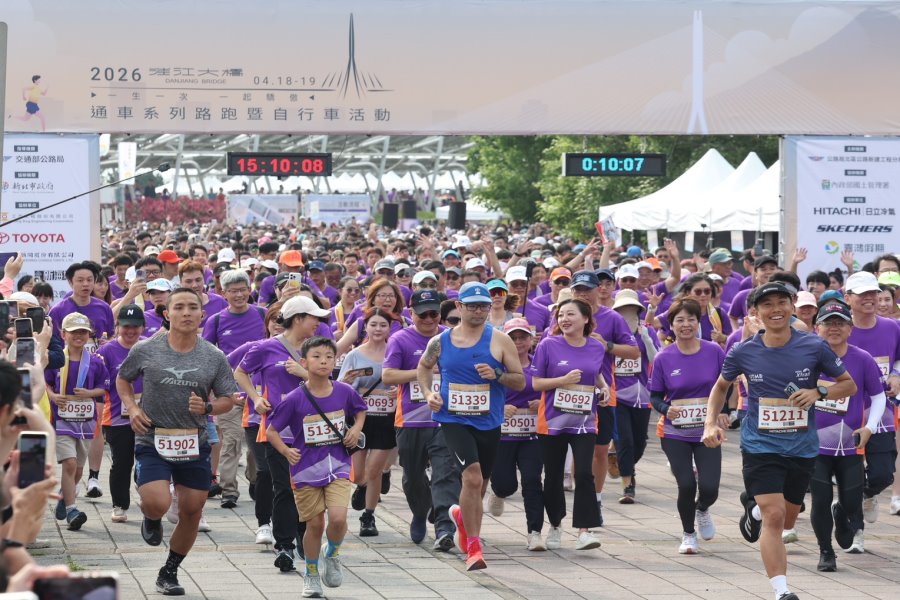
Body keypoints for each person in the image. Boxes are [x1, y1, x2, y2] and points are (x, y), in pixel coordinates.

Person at [702, 282, 856, 600]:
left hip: (801, 446)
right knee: (775, 516)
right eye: (767, 304)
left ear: (792, 307)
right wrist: (709, 424)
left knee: (788, 514)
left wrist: (819, 391)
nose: (776, 309)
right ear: (755, 312)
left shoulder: (814, 347)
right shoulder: (743, 351)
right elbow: (720, 387)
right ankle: (781, 591)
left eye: (782, 303)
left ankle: (753, 510)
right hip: (760, 445)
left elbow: (848, 385)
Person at [116, 288, 238, 596]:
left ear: (201, 314)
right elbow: (123, 379)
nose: (186, 312)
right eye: (179, 307)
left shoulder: (213, 356)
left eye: (192, 307)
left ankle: (169, 571)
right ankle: (151, 514)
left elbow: (229, 399)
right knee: (157, 502)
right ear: (167, 314)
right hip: (152, 436)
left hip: (193, 441)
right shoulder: (146, 349)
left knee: (192, 509)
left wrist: (208, 408)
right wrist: (132, 408)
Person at [418, 281, 525, 571]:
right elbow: (424, 367)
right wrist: (429, 394)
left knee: (480, 485)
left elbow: (520, 380)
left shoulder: (500, 340)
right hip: (453, 418)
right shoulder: (440, 341)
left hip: (488, 421)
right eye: (472, 305)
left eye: (483, 306)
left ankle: (462, 516)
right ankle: (475, 547)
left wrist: (497, 374)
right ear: (459, 307)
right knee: (473, 478)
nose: (478, 311)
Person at [266, 337, 367, 599]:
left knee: (338, 519)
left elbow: (360, 410)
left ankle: (332, 553)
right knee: (314, 525)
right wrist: (286, 451)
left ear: (335, 361)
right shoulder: (295, 398)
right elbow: (272, 431)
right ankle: (311, 574)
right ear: (304, 362)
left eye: (329, 357)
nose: (323, 361)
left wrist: (355, 429)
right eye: (317, 356)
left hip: (339, 466)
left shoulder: (344, 391)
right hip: (305, 471)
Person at [235, 295, 328, 571]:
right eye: (314, 318)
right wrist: (255, 397)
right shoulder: (264, 348)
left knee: (307, 487)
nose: (318, 323)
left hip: (311, 431)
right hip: (277, 430)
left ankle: (304, 537)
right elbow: (240, 373)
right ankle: (285, 546)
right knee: (284, 488)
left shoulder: (318, 348)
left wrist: (305, 372)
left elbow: (328, 384)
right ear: (298, 319)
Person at [382, 290, 460, 549]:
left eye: (434, 313)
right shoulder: (400, 339)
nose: (428, 319)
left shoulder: (452, 338)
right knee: (413, 476)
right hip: (412, 420)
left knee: (445, 474)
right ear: (411, 314)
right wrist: (423, 372)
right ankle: (419, 510)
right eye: (422, 314)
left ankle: (444, 529)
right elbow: (389, 376)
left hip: (445, 420)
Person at [810, 302, 885, 570]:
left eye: (840, 323)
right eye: (828, 323)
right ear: (816, 328)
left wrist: (870, 428)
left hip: (851, 443)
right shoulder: (807, 356)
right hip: (815, 444)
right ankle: (825, 552)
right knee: (819, 499)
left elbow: (878, 397)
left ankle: (841, 512)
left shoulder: (862, 358)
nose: (834, 328)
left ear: (850, 329)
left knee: (852, 502)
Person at [532, 298, 610, 551]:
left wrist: (604, 388)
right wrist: (562, 380)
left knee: (584, 473)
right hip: (552, 422)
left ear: (586, 319)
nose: (564, 319)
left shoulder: (596, 347)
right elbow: (535, 384)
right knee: (553, 476)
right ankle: (555, 524)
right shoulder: (548, 345)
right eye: (561, 315)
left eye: (571, 314)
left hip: (584, 422)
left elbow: (595, 373)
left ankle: (584, 531)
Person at [650, 299, 725, 554]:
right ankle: (688, 534)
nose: (685, 325)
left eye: (691, 319)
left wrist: (724, 413)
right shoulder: (664, 358)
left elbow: (725, 385)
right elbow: (655, 396)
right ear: (671, 326)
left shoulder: (714, 351)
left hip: (707, 431)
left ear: (698, 322)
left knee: (710, 488)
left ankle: (702, 508)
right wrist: (665, 409)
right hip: (675, 433)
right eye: (679, 320)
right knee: (685, 484)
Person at [203, 269, 267, 509]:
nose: (239, 295)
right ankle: (229, 489)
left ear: (249, 291)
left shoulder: (262, 314)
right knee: (231, 441)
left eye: (242, 290)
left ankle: (255, 478)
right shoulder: (216, 320)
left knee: (256, 444)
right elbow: (208, 356)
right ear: (223, 293)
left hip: (260, 390)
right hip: (228, 391)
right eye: (233, 291)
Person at [843, 271, 900, 528]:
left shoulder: (892, 327)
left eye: (873, 293)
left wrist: (897, 375)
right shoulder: (839, 329)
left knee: (883, 474)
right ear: (848, 298)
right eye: (862, 293)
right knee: (850, 474)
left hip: (882, 413)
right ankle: (855, 532)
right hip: (845, 415)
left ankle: (867, 495)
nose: (870, 298)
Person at [485, 318, 547, 551]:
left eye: (523, 337)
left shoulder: (539, 365)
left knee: (532, 480)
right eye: (513, 337)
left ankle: (535, 533)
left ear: (531, 339)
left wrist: (540, 403)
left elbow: (551, 391)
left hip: (532, 435)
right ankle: (498, 491)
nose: (518, 342)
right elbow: (482, 394)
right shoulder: (496, 366)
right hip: (503, 435)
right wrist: (500, 408)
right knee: (506, 483)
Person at [338, 308, 400, 536]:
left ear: (389, 328)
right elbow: (341, 386)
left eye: (383, 325)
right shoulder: (355, 355)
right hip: (360, 420)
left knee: (374, 471)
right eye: (373, 324)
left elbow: (402, 381)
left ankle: (368, 516)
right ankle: (361, 487)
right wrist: (348, 381)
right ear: (366, 327)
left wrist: (396, 391)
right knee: (357, 473)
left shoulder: (395, 352)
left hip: (386, 418)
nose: (378, 329)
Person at [45, 313, 109, 532]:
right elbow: (45, 384)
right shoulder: (54, 360)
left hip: (85, 422)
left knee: (79, 470)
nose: (78, 336)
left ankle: (65, 496)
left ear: (89, 335)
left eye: (82, 332)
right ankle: (72, 509)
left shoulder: (96, 361)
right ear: (63, 334)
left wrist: (89, 392)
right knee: (69, 464)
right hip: (62, 420)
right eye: (73, 332)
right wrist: (53, 396)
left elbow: (104, 388)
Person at [97, 304, 146, 523]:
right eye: (126, 326)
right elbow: (97, 379)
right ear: (117, 326)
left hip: (148, 415)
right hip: (116, 417)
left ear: (142, 327)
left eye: (135, 326)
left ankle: (149, 497)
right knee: (122, 462)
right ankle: (119, 504)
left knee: (148, 459)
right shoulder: (106, 351)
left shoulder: (149, 348)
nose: (130, 331)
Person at [610, 289, 659, 504]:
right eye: (622, 310)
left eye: (631, 309)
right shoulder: (610, 333)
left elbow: (657, 360)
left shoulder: (647, 331)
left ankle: (622, 461)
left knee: (639, 442)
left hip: (643, 395)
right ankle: (628, 485)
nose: (627, 314)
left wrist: (647, 338)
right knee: (625, 440)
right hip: (618, 395)